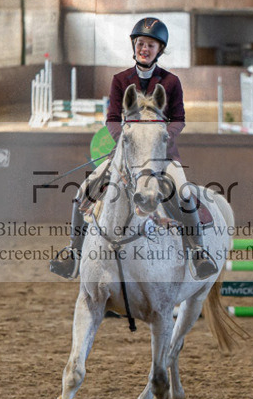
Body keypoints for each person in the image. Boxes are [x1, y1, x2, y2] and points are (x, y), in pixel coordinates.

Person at [50, 16, 218, 281]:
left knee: (184, 192)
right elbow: (112, 119)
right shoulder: (120, 80)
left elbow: (179, 119)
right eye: (141, 43)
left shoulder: (171, 82)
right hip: (126, 153)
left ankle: (198, 251)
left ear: (159, 49)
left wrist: (162, 136)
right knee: (83, 189)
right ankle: (73, 252)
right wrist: (125, 140)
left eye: (150, 45)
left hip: (162, 155)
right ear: (134, 46)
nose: (144, 49)